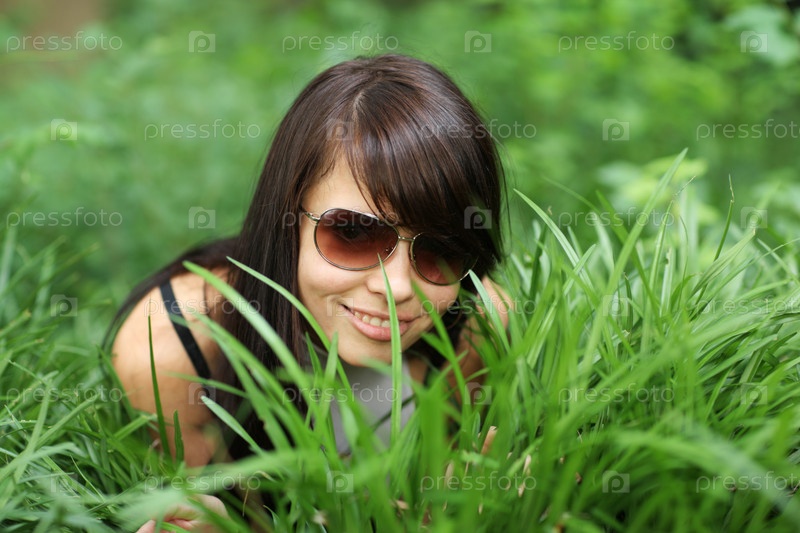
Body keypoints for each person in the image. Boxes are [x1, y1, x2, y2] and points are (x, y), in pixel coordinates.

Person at [108, 53, 509, 530]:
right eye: (356, 233)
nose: (398, 287)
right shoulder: (172, 352)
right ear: (287, 219)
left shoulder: (476, 324)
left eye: (441, 249)